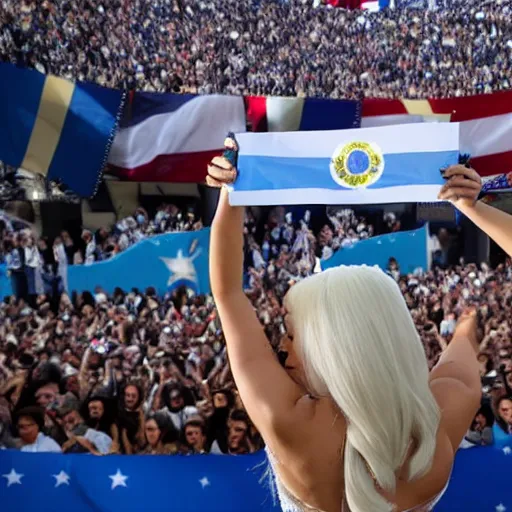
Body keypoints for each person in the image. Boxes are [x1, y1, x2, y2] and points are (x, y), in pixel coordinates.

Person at [207, 155, 484, 512]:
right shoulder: (441, 417)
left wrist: (232, 194)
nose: (281, 348)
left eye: (292, 334)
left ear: (335, 345)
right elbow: (465, 339)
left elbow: (228, 293)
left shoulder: (288, 420)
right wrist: (467, 321)